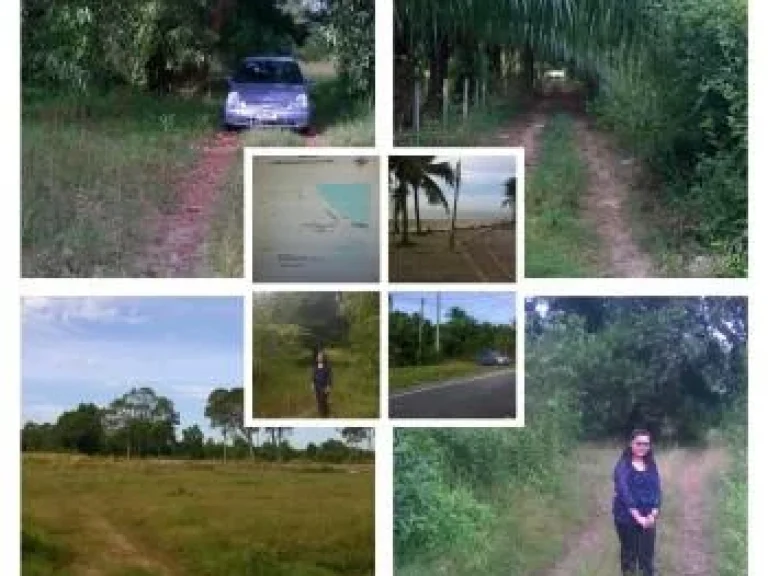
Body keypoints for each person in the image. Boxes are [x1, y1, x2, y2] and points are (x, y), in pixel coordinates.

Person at [612, 429, 662, 576]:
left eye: (646, 444)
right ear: (631, 444)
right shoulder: (623, 466)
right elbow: (624, 492)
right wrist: (638, 517)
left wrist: (653, 513)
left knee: (647, 556)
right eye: (639, 443)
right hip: (626, 517)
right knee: (630, 555)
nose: (642, 447)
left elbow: (657, 489)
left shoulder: (651, 465)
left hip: (648, 517)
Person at [311, 350, 332, 417]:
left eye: (320, 356)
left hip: (324, 386)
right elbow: (313, 376)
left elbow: (329, 376)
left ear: (323, 357)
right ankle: (321, 413)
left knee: (324, 400)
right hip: (317, 386)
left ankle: (326, 414)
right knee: (318, 400)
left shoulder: (327, 366)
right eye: (318, 356)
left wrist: (328, 386)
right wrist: (312, 383)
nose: (319, 358)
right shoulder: (315, 366)